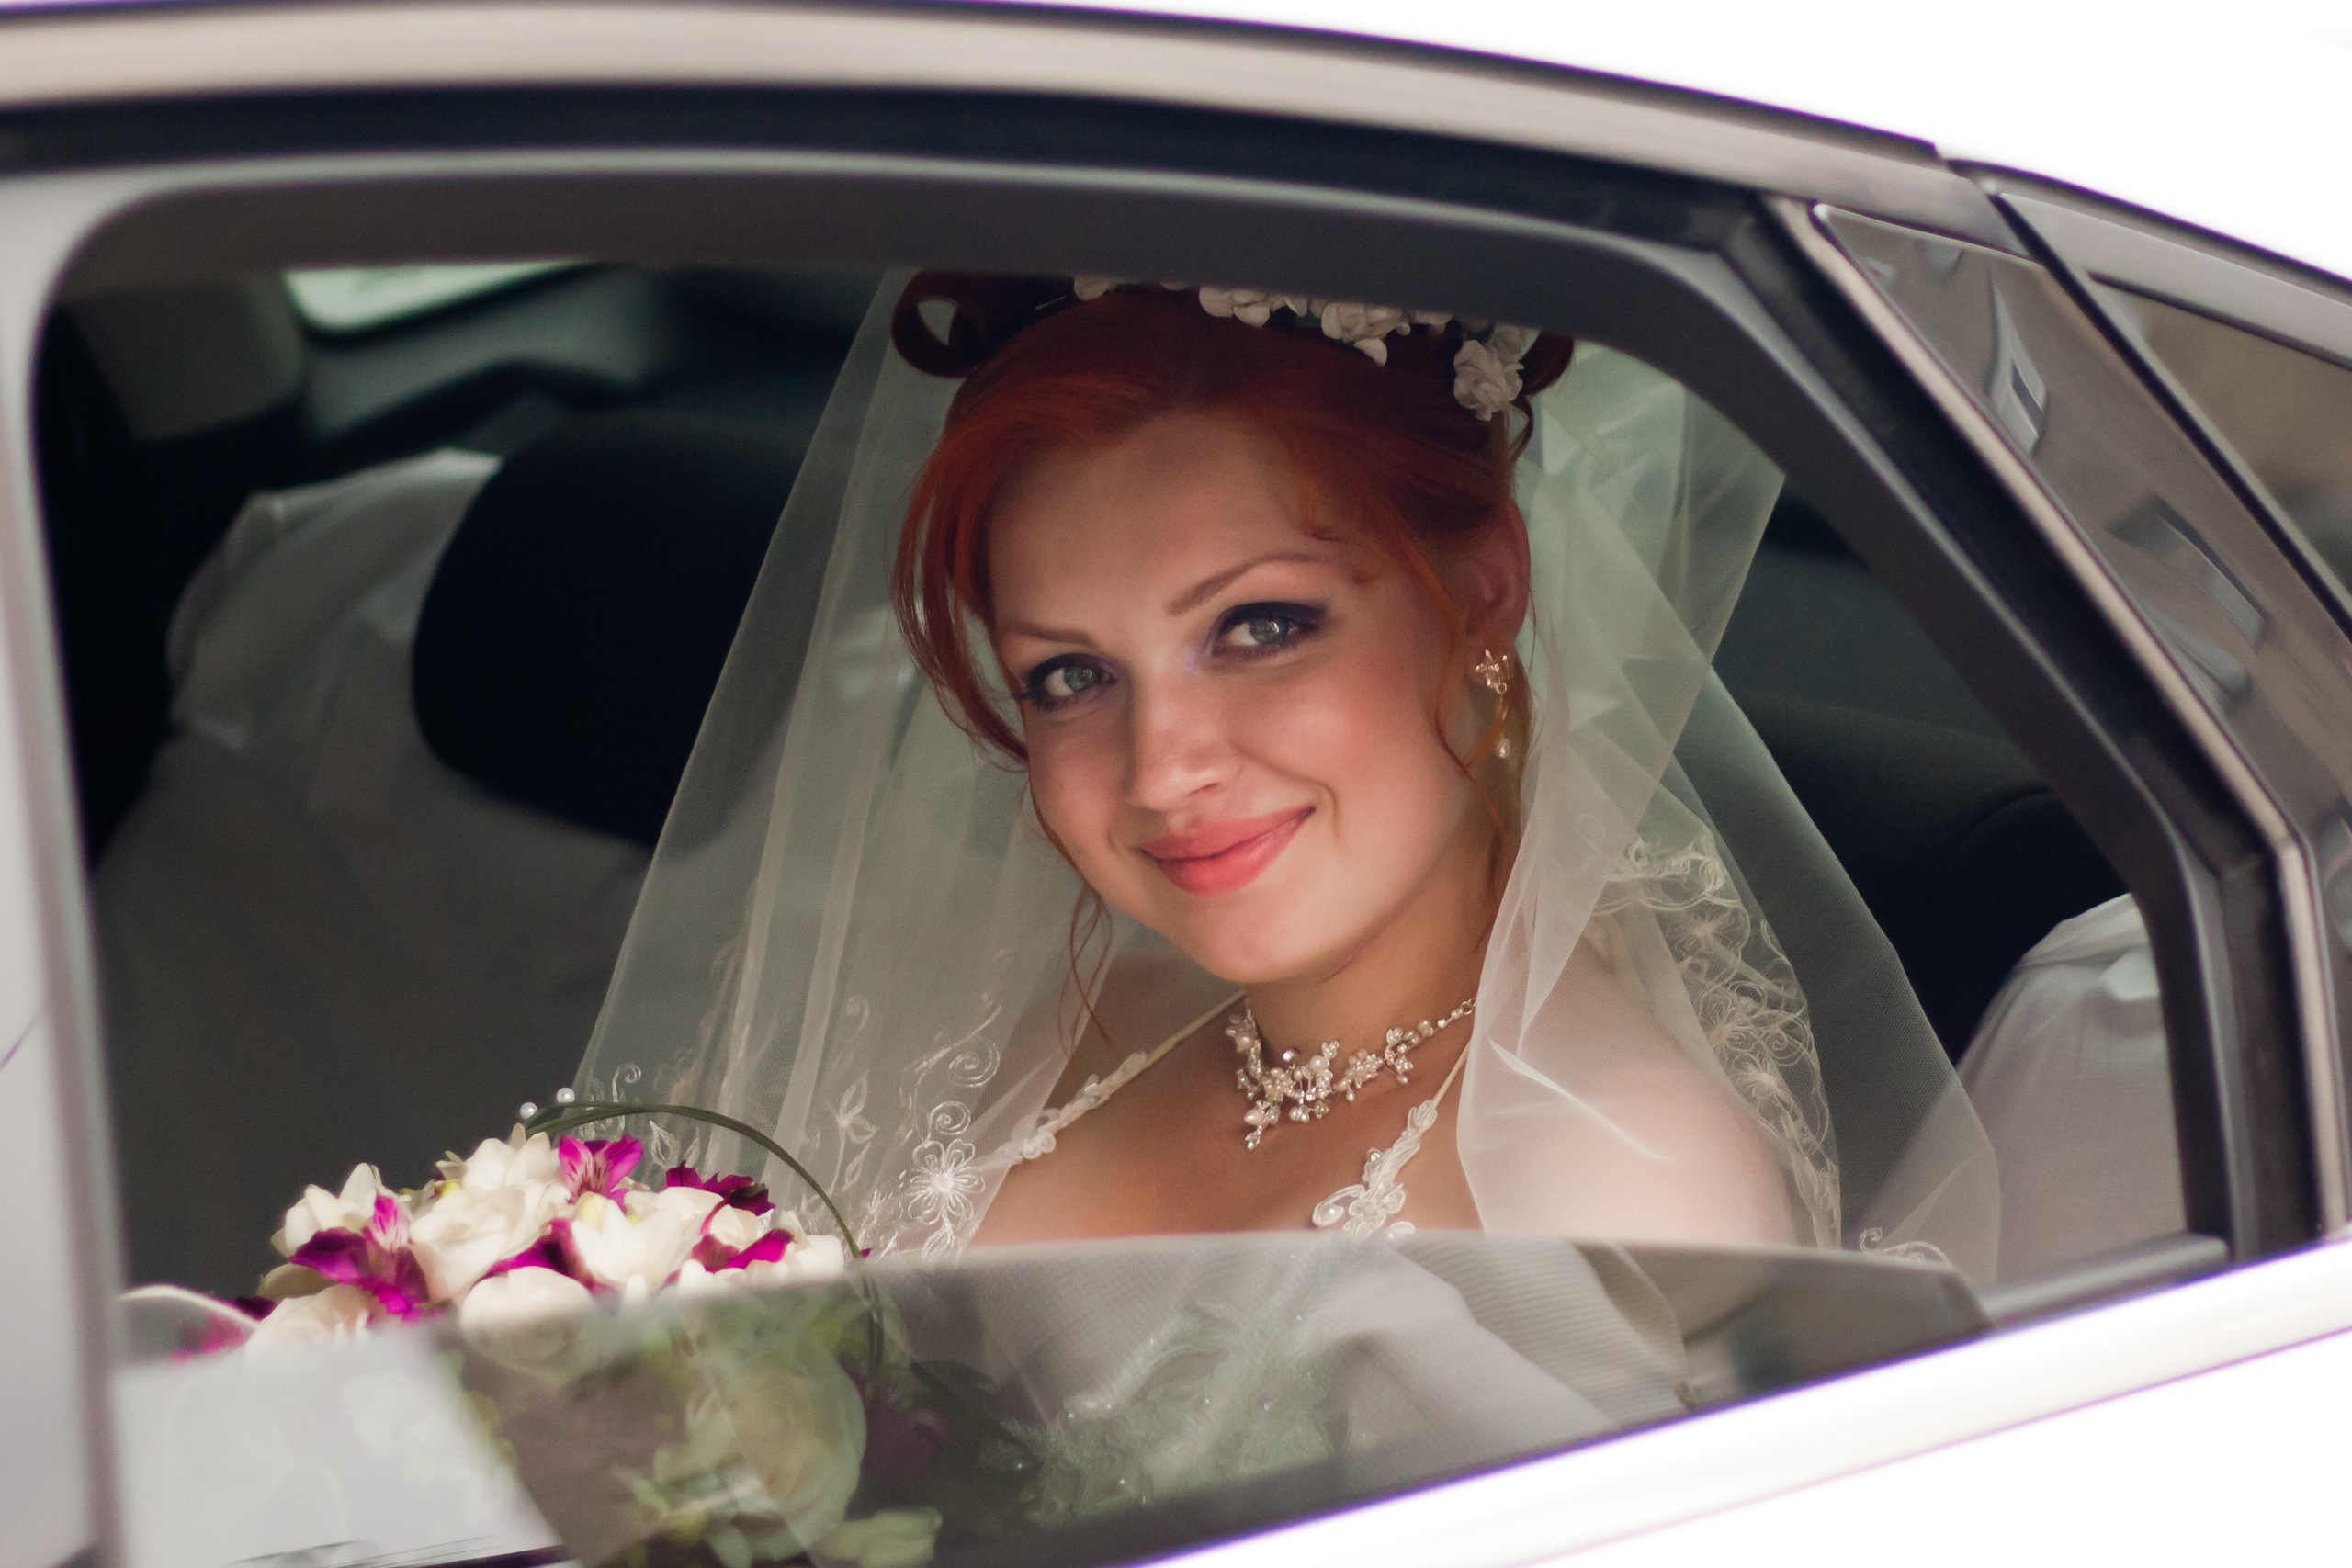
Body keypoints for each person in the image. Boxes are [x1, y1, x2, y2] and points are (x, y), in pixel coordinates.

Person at [581, 270, 1988, 1272]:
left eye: (1259, 628)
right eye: (1070, 676)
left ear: (1483, 589)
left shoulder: (1615, 1181)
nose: (1164, 769)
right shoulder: (1052, 1042)